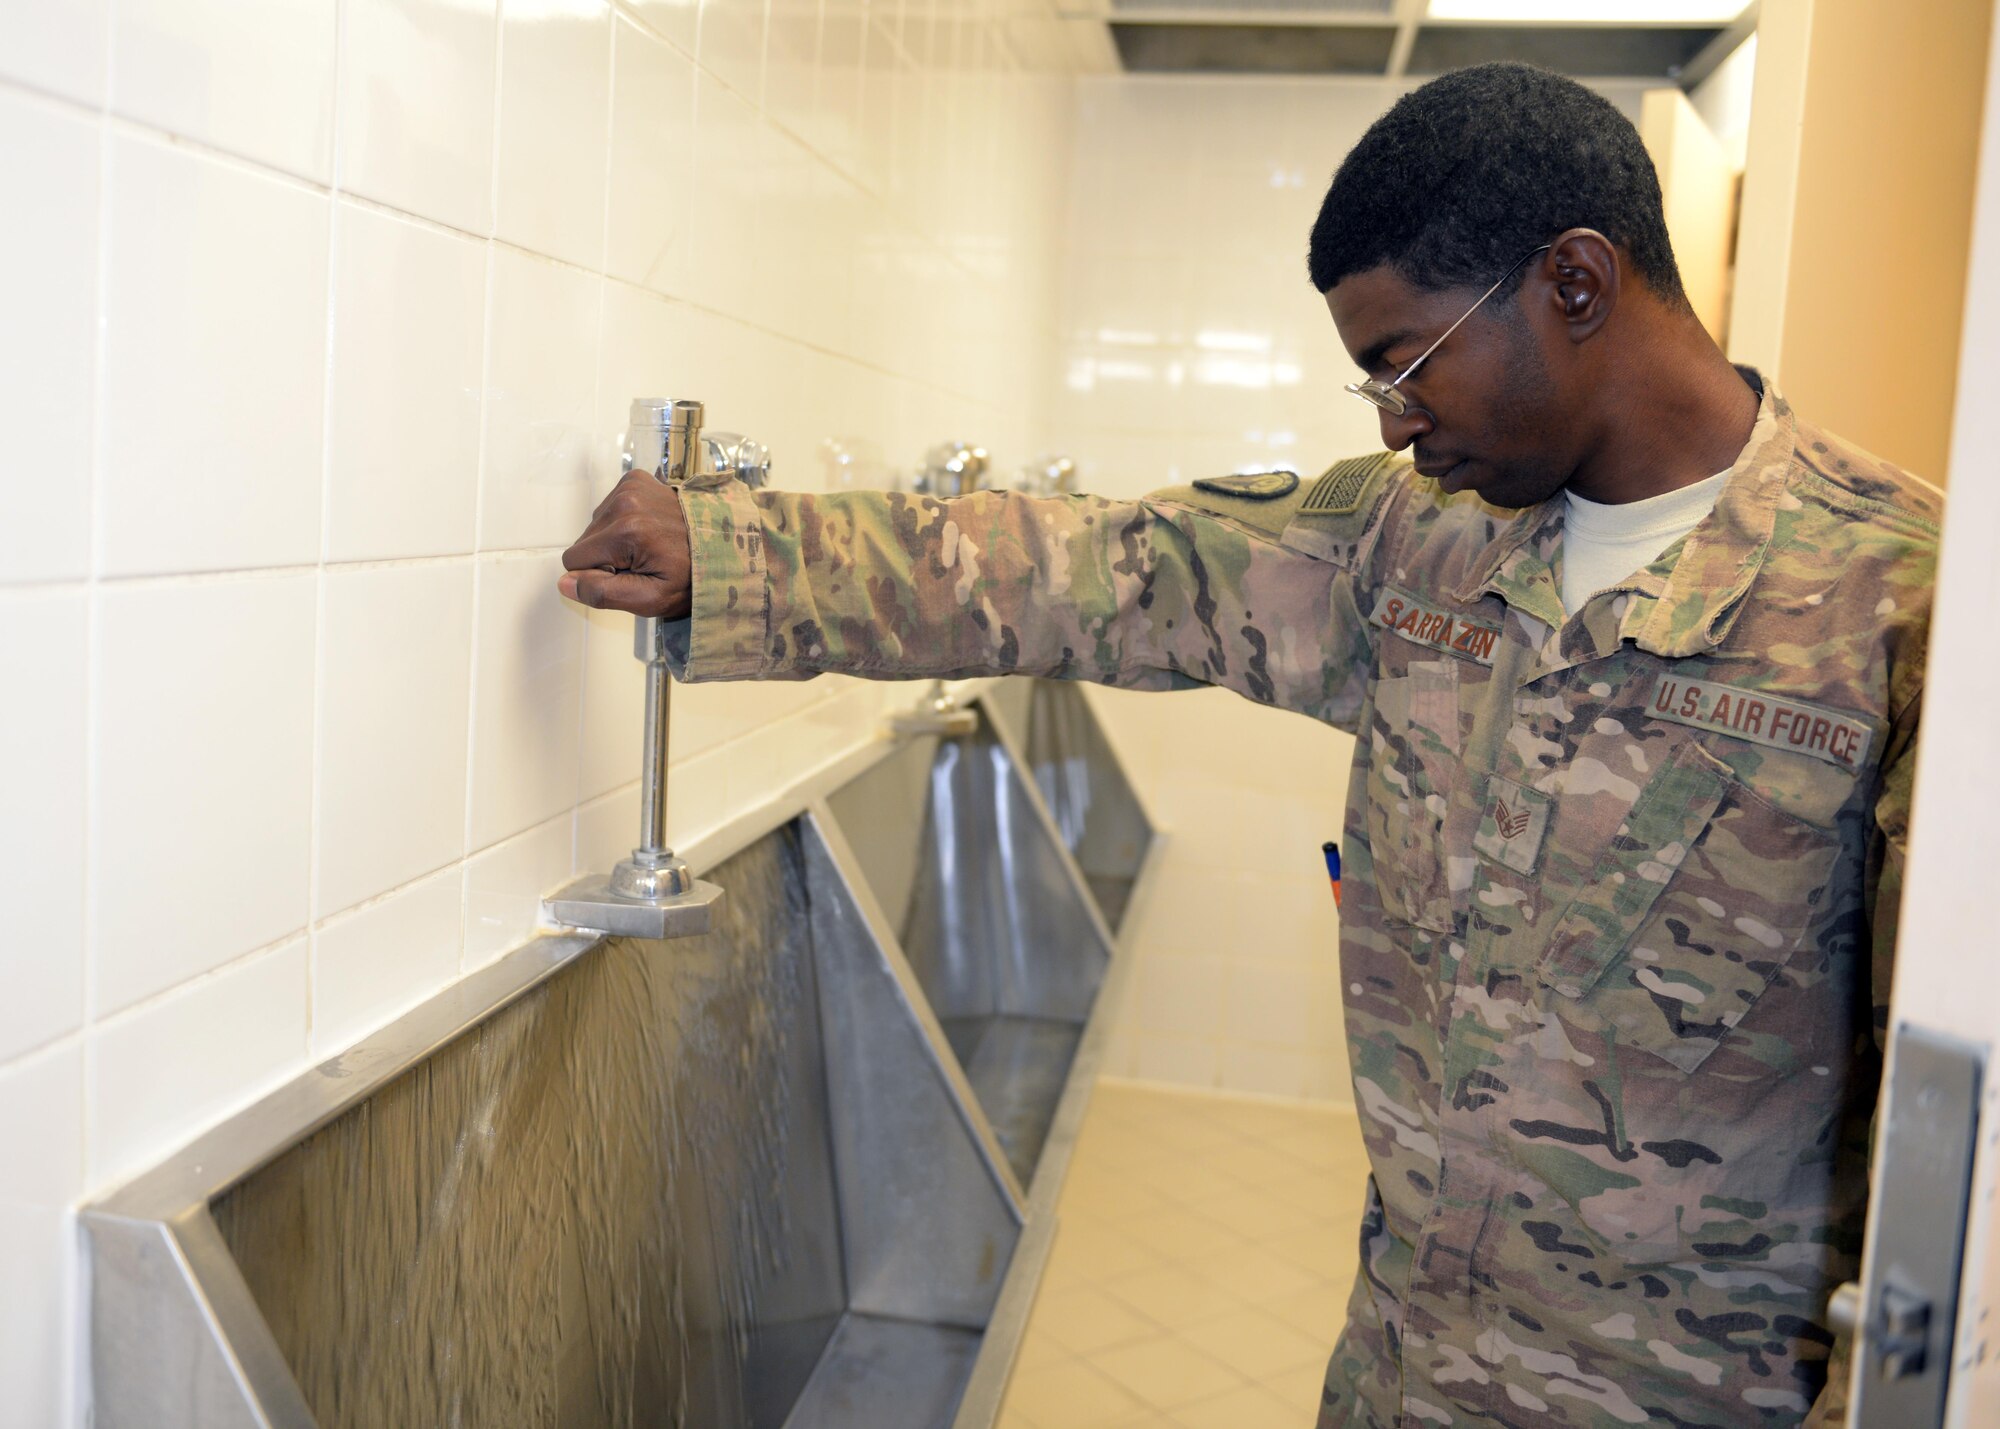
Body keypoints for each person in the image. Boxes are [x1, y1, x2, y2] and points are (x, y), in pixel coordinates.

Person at [558, 62, 1937, 1428]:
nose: (1396, 423)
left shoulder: (1906, 602)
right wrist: (735, 554)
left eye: (1407, 365)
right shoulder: (1419, 546)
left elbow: (1946, 1150)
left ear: (1572, 284)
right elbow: (1100, 571)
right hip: (1403, 1370)